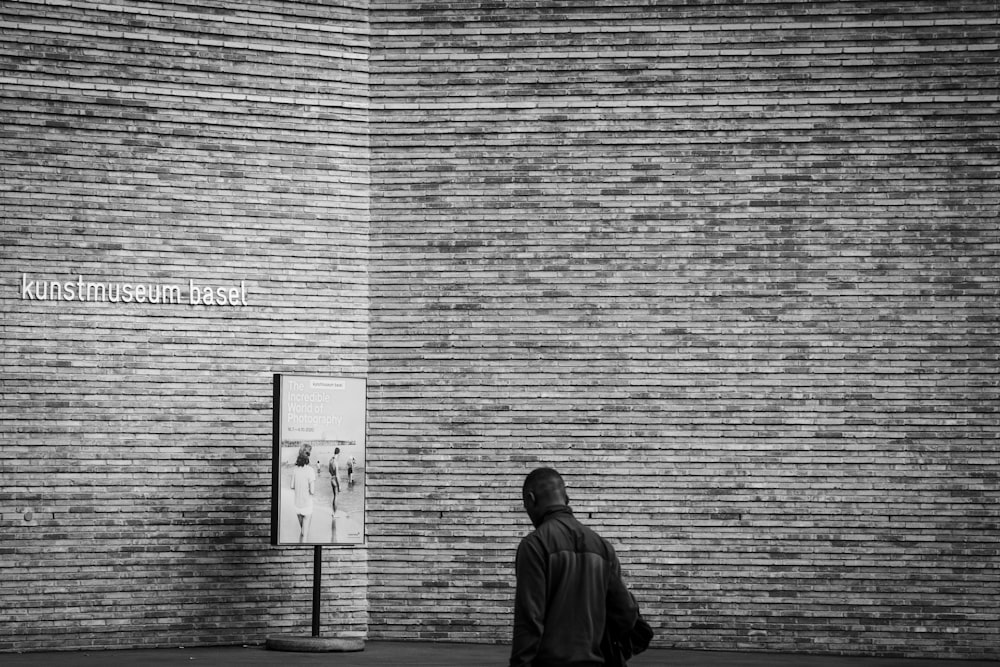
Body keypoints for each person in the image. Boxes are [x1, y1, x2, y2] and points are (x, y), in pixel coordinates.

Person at [510, 467, 639, 667]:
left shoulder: (535, 545)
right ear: (566, 498)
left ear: (530, 499)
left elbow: (529, 621)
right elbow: (627, 612)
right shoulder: (602, 547)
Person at [290, 447, 316, 542]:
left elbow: (292, 486)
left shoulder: (295, 469)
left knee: (302, 531)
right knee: (305, 535)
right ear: (308, 457)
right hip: (307, 505)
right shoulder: (310, 470)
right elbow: (312, 491)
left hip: (297, 505)